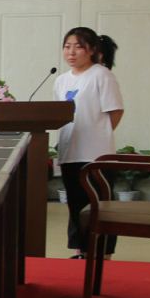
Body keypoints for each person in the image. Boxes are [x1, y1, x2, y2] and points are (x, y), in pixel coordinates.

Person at [55, 27, 125, 260]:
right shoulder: (61, 80)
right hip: (70, 151)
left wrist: (99, 136)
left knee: (98, 205)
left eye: (78, 47)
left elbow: (115, 111)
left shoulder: (101, 75)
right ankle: (81, 252)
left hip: (96, 154)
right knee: (76, 204)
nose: (71, 52)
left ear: (92, 50)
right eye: (67, 47)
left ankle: (102, 254)